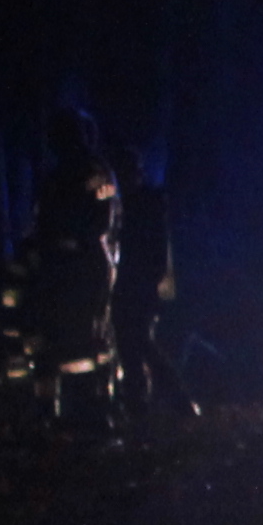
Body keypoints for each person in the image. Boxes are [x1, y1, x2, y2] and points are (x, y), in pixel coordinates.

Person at [25, 107, 123, 425]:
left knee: (90, 336)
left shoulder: (96, 172)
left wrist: (72, 240)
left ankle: (96, 407)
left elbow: (101, 221)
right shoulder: (55, 176)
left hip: (86, 266)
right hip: (58, 267)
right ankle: (52, 409)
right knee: (54, 337)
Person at [111, 151, 179, 418]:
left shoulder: (147, 203)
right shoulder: (128, 202)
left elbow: (156, 247)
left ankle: (174, 398)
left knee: (138, 341)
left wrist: (153, 278)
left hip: (140, 282)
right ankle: (138, 404)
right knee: (130, 344)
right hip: (127, 281)